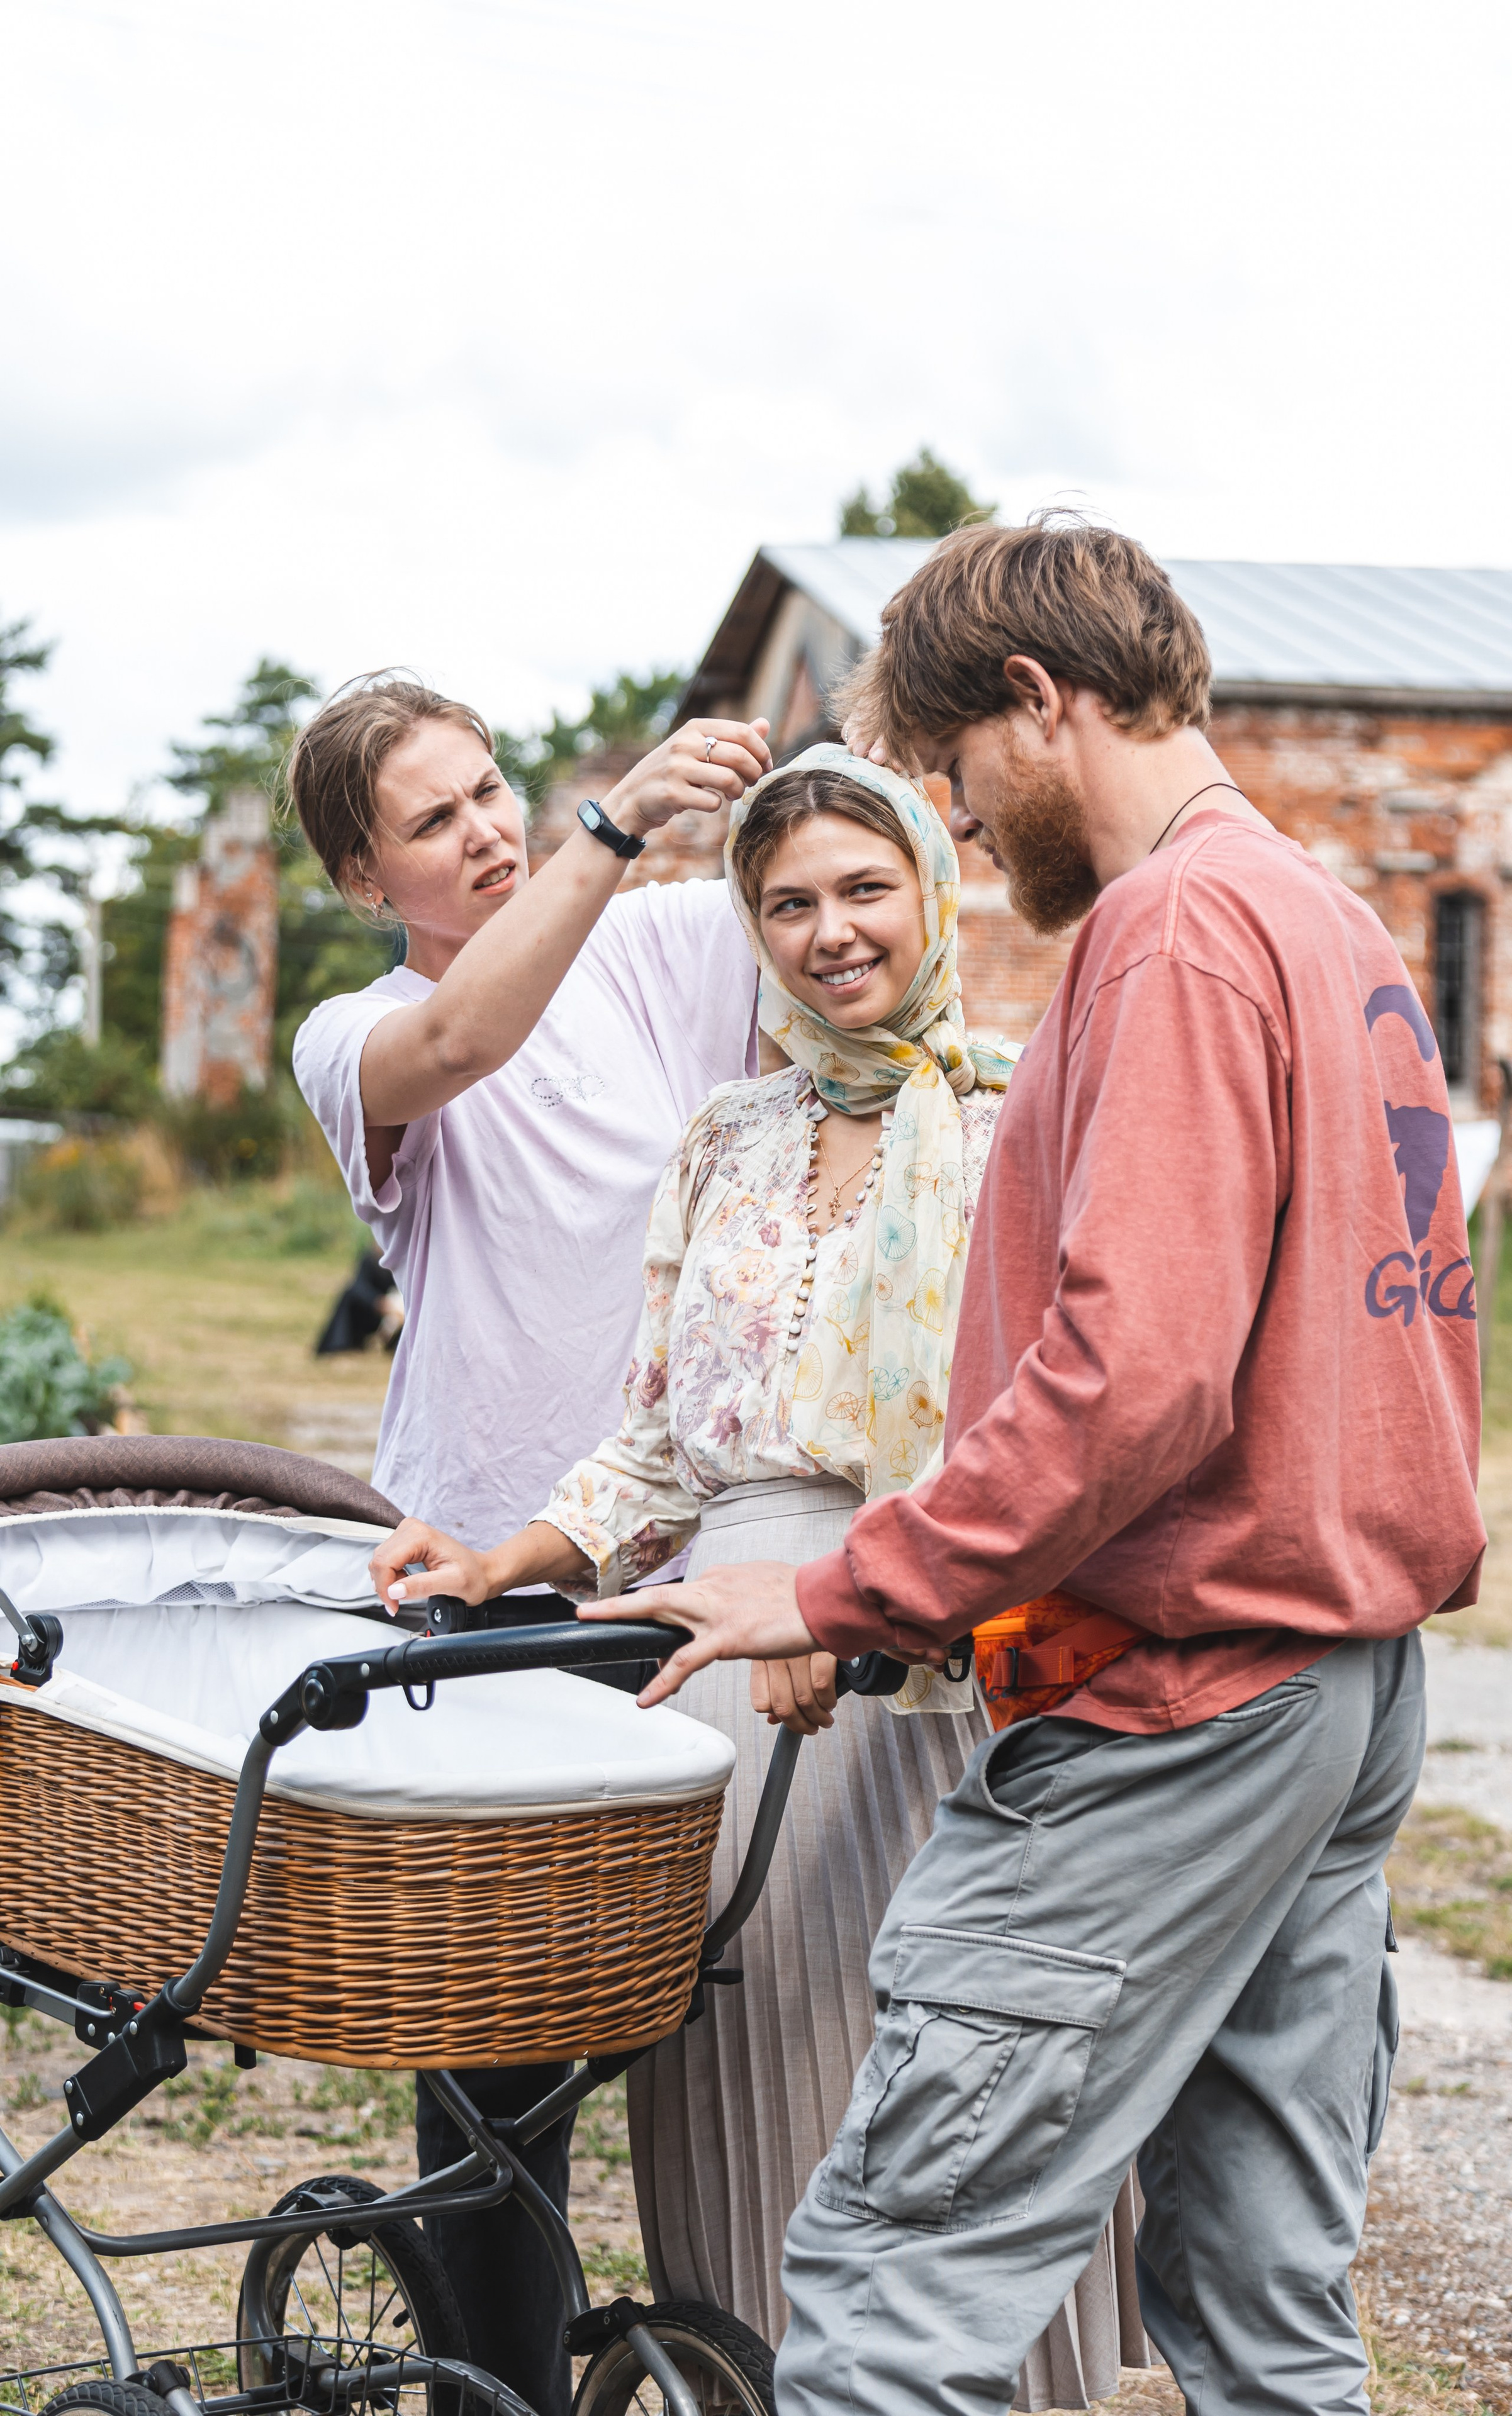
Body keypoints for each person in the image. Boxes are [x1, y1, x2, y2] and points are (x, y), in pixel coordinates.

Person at [583, 519, 1487, 2416]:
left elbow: (1134, 1372)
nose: (969, 838)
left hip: (1177, 1697)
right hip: (1340, 1679)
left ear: (1038, 700)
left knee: (896, 2282)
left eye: (964, 790)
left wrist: (851, 1583)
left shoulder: (1168, 930)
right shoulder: (1325, 920)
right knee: (1258, 2303)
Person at [374, 746, 1151, 2410]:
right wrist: (513, 1551)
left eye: (864, 890)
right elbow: (659, 1440)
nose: (829, 933)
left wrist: (867, 1602)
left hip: (941, 1671)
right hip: (723, 1670)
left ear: (931, 896)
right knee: (751, 2067)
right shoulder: (725, 1137)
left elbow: (1056, 1433)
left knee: (950, 2075)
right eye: (786, 903)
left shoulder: (1027, 1115)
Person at [288, 674, 771, 2416]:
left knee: (715, 1988)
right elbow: (467, 1041)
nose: (489, 829)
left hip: (677, 1562)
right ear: (366, 877)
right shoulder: (354, 1039)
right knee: (504, 2047)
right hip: (478, 1573)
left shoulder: (645, 953)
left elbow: (834, 903)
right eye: (436, 819)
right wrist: (612, 818)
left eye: (493, 789)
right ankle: (490, 2385)